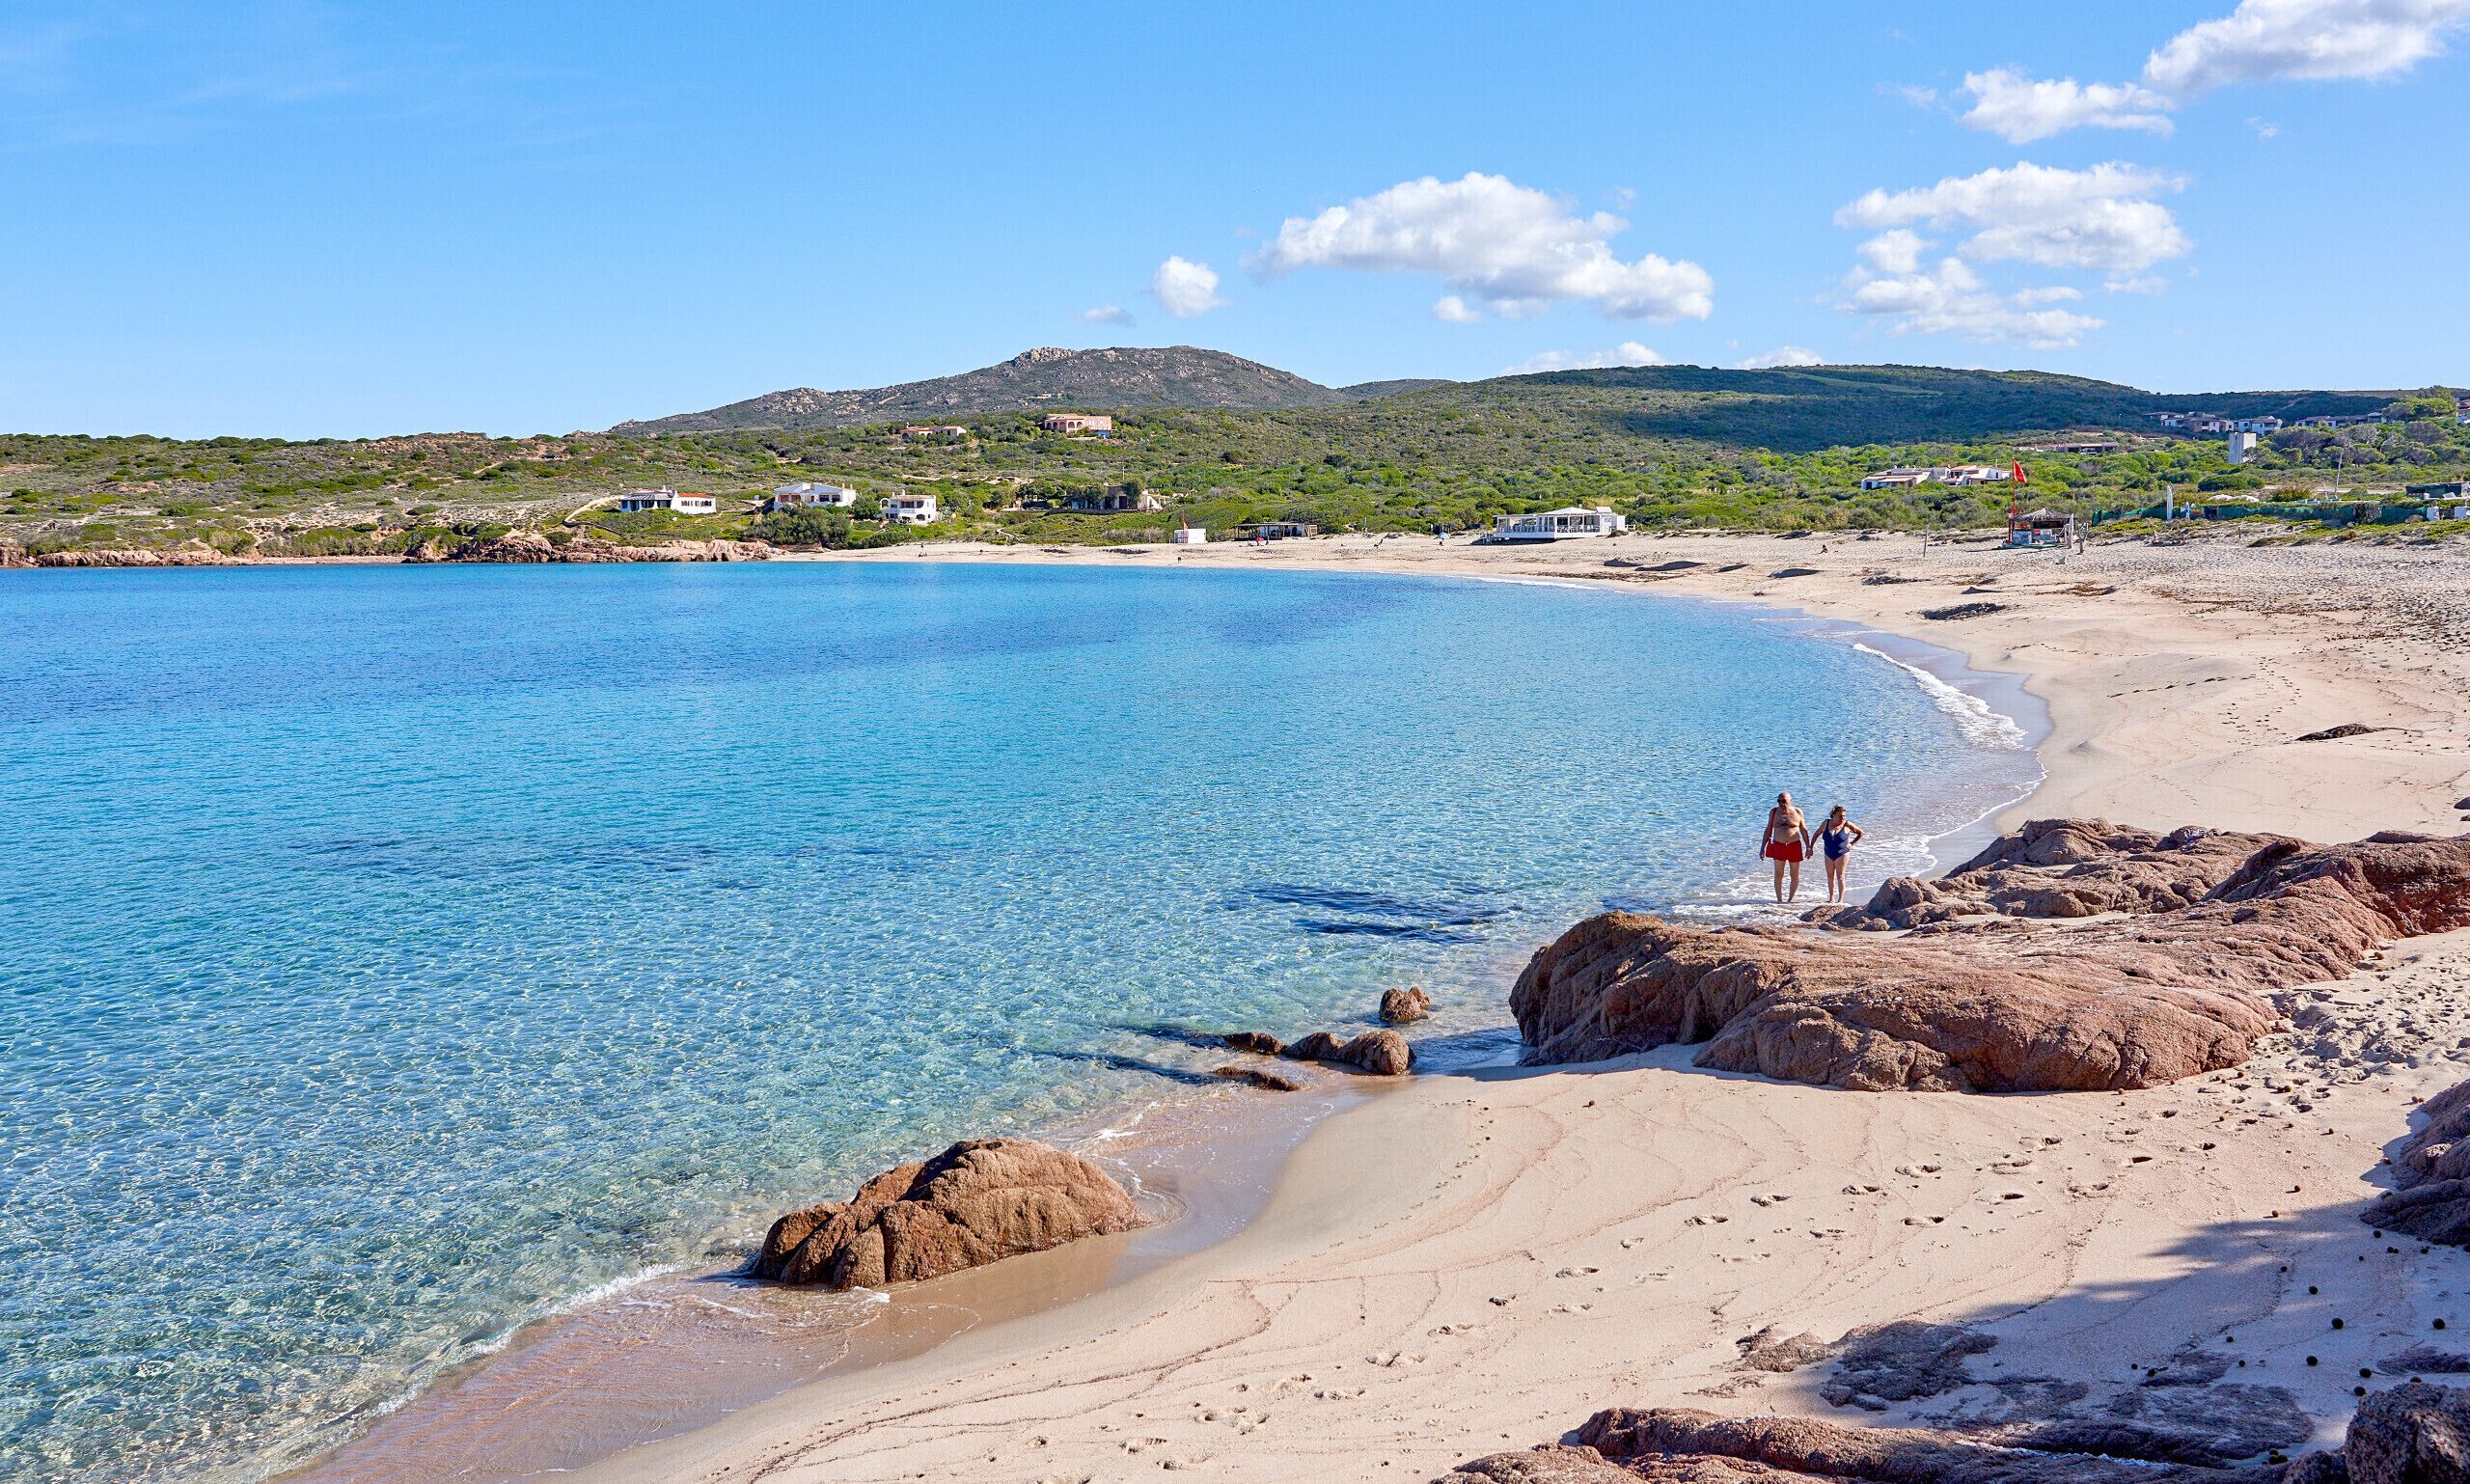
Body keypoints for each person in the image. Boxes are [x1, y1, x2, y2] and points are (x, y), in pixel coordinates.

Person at [1759, 792, 1809, 904]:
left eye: (1784, 801)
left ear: (1790, 801)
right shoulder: (1774, 812)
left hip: (1794, 845)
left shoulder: (1797, 812)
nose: (1781, 804)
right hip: (1779, 845)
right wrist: (1762, 847)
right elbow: (1768, 829)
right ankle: (1779, 900)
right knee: (1778, 874)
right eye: (1779, 801)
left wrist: (1808, 847)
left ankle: (1790, 899)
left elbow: (1803, 830)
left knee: (1794, 874)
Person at [1813, 805, 1867, 904]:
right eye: (1840, 816)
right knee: (1830, 876)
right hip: (1828, 853)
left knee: (1840, 876)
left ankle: (1840, 899)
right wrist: (1810, 848)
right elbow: (1816, 834)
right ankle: (1831, 898)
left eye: (1844, 816)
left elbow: (1861, 833)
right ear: (1834, 815)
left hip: (1842, 853)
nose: (1843, 818)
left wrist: (1852, 843)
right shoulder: (1826, 823)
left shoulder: (1847, 824)